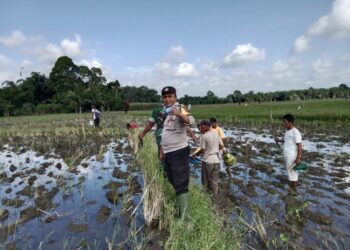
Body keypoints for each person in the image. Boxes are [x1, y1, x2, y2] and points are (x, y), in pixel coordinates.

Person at [159, 86, 195, 219]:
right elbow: (165, 133)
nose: (167, 99)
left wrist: (179, 113)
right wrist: (162, 150)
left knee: (181, 183)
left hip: (178, 152)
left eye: (170, 96)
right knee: (173, 179)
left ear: (175, 97)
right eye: (165, 97)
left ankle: (185, 218)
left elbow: (191, 121)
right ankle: (181, 209)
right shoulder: (166, 113)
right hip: (169, 153)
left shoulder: (179, 109)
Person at [192, 120, 225, 201]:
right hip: (216, 160)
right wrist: (215, 149)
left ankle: (205, 198)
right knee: (214, 181)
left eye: (201, 127)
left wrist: (195, 154)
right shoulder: (216, 135)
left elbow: (202, 149)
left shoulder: (204, 136)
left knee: (205, 181)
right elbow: (222, 145)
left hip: (207, 161)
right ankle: (215, 198)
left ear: (205, 126)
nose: (200, 129)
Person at [275, 114, 302, 189]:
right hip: (287, 155)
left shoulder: (295, 132)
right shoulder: (287, 131)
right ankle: (293, 188)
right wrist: (279, 140)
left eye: (285, 121)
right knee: (291, 173)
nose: (283, 123)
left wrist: (298, 158)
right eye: (283, 121)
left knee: (293, 174)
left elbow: (299, 146)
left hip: (292, 156)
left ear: (290, 122)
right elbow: (288, 140)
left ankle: (293, 191)